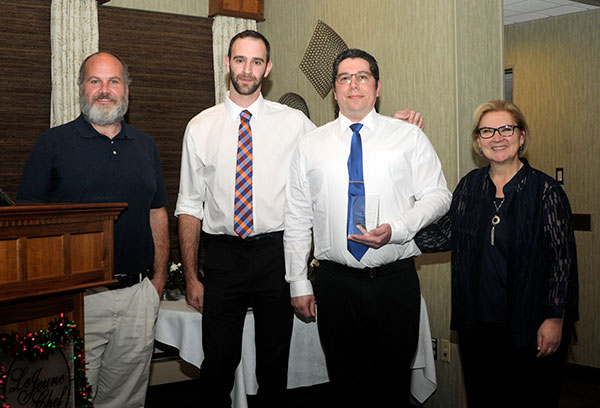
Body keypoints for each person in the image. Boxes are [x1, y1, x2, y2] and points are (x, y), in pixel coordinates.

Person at [176, 31, 424, 407]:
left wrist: (398, 127)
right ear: (227, 64)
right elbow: (189, 205)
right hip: (224, 257)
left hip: (275, 255)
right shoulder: (200, 127)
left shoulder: (294, 123)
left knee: (275, 361)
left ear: (268, 68)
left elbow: (344, 142)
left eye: (257, 61)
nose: (247, 69)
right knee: (218, 361)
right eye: (240, 60)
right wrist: (191, 276)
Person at [284, 48, 451, 407]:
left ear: (377, 87)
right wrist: (298, 281)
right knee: (345, 387)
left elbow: (439, 196)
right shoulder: (310, 145)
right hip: (335, 285)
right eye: (344, 78)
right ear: (334, 91)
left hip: (395, 282)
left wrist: (398, 228)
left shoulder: (408, 137)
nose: (354, 85)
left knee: (392, 387)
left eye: (363, 77)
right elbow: (296, 216)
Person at [17, 51, 169, 408]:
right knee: (70, 397)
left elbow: (157, 211)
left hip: (137, 297)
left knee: (126, 400)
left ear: (126, 88)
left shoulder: (145, 146)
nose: (105, 90)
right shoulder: (52, 145)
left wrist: (158, 280)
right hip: (78, 301)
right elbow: (28, 225)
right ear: (80, 88)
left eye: (114, 81)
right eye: (95, 81)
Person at [415, 99, 579, 408]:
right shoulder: (469, 186)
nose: (497, 138)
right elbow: (445, 235)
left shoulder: (545, 191)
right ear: (478, 142)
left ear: (522, 136)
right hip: (478, 325)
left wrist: (554, 319)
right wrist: (393, 236)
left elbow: (562, 261)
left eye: (506, 129)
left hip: (531, 324)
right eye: (487, 131)